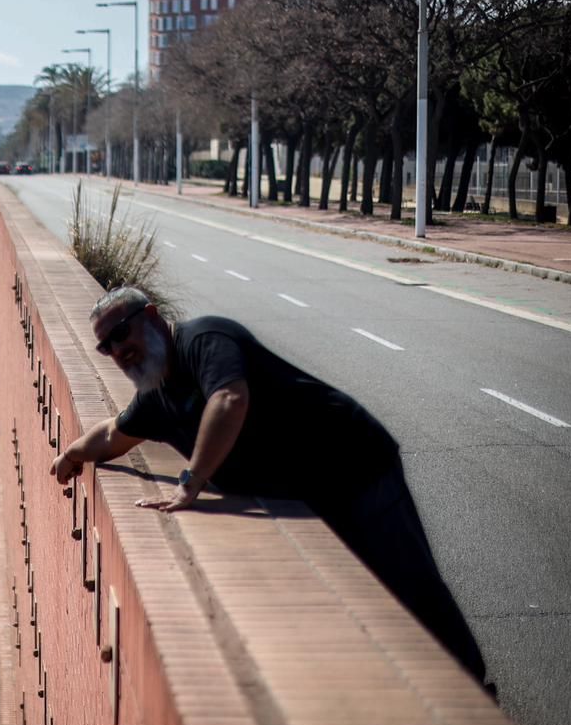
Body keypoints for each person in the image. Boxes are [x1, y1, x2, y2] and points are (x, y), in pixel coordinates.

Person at [50, 285, 488, 684]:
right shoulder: (157, 397)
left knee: (408, 583)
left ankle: (473, 686)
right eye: (105, 346)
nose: (117, 350)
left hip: (356, 467)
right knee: (366, 601)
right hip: (310, 491)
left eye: (121, 333)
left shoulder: (203, 339)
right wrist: (72, 454)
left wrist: (191, 482)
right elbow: (112, 435)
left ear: (152, 315)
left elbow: (229, 397)